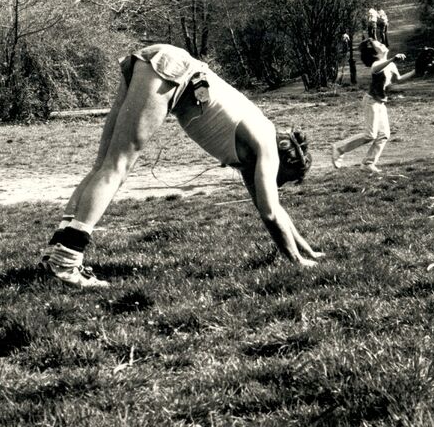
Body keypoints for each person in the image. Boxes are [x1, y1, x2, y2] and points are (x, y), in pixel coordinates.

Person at [40, 43, 319, 290]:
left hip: (156, 61)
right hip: (172, 70)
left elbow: (273, 209)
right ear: (288, 159)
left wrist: (309, 252)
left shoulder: (254, 151)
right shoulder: (268, 147)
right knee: (117, 168)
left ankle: (58, 254)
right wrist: (296, 261)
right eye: (288, 179)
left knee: (103, 166)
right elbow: (271, 214)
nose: (280, 185)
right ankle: (66, 262)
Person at [330, 38, 414, 173]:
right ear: (375, 54)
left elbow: (398, 79)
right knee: (370, 135)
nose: (383, 44)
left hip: (380, 103)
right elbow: (376, 69)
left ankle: (368, 163)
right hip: (371, 102)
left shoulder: (391, 65)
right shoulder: (377, 63)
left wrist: (416, 71)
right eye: (379, 45)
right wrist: (392, 59)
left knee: (384, 135)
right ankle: (339, 148)